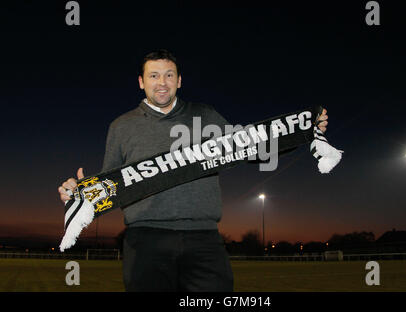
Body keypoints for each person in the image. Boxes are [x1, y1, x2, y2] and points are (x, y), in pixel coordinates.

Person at [58, 49, 328, 292]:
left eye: (168, 75)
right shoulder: (121, 126)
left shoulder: (205, 115)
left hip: (204, 239)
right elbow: (113, 182)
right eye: (153, 76)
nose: (161, 82)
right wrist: (81, 191)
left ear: (179, 80)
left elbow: (249, 148)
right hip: (144, 241)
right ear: (141, 82)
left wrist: (303, 131)